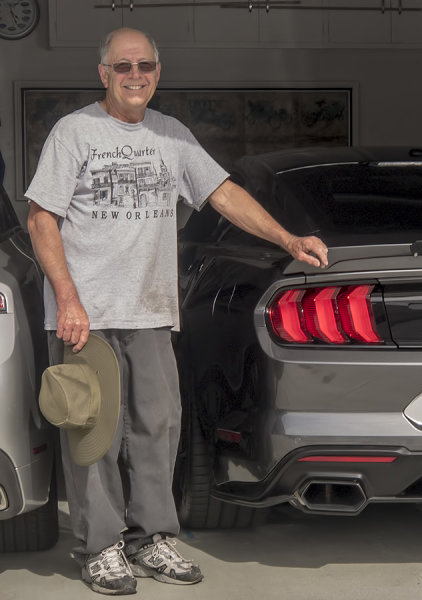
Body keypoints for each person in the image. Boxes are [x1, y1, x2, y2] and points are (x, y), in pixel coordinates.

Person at [25, 27, 328, 596]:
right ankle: (101, 546)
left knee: (156, 431)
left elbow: (223, 194)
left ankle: (150, 538)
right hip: (86, 316)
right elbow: (43, 218)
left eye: (144, 66)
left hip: (151, 312)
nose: (134, 75)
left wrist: (288, 239)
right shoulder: (75, 133)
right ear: (103, 74)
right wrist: (67, 298)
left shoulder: (172, 136)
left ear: (157, 73)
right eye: (122, 67)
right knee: (94, 433)